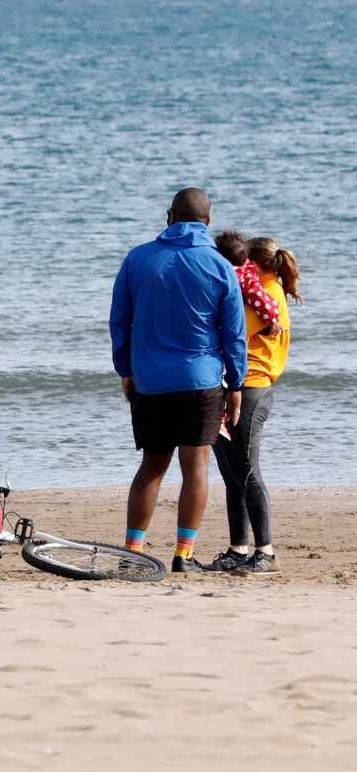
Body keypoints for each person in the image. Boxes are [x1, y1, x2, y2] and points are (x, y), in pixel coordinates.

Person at [109, 187, 247, 572]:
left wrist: (125, 370)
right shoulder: (219, 266)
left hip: (151, 380)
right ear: (208, 220)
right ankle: (182, 556)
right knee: (196, 466)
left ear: (169, 216)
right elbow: (233, 334)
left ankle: (132, 555)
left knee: (152, 466)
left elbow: (119, 321)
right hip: (200, 379)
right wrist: (235, 385)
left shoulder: (138, 259)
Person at [206, 235, 301, 575]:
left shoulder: (265, 297)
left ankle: (266, 551)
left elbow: (232, 335)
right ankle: (238, 549)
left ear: (254, 266)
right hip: (238, 387)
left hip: (251, 388)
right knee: (231, 474)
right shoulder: (256, 293)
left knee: (247, 471)